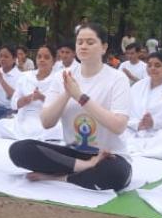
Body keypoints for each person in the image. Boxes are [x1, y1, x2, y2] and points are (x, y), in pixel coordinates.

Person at [8, 23, 132, 191]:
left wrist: (80, 97)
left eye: (90, 42)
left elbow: (118, 126)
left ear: (104, 47)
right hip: (75, 155)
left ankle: (61, 178)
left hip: (108, 155)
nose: (83, 46)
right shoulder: (62, 77)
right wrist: (67, 93)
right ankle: (83, 169)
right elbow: (46, 122)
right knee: (19, 150)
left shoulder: (117, 79)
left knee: (116, 175)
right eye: (79, 42)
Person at [0, 45, 62, 141]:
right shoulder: (25, 77)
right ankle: (34, 137)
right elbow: (13, 104)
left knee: (59, 128)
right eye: (39, 57)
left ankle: (30, 137)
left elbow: (60, 107)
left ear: (54, 60)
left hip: (44, 120)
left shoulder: (58, 79)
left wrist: (42, 98)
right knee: (1, 124)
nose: (42, 60)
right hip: (24, 120)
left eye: (46, 57)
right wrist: (26, 99)